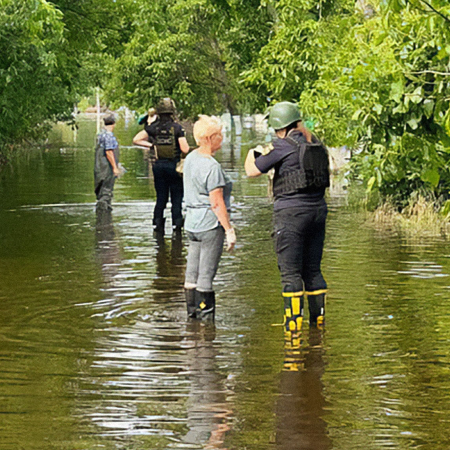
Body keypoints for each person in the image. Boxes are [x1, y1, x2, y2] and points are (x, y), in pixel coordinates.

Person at [244, 101, 330, 330]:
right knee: (313, 270)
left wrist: (252, 153)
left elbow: (251, 171)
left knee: (290, 274)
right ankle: (318, 328)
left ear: (280, 127)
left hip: (291, 215)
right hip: (318, 212)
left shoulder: (283, 146)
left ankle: (293, 334)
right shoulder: (317, 144)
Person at [183, 115, 236, 322]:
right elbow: (216, 203)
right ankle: (206, 327)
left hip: (192, 224)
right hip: (209, 225)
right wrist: (229, 230)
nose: (222, 140)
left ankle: (191, 320)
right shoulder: (212, 167)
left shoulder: (190, 159)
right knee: (205, 276)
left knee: (191, 275)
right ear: (210, 137)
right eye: (220, 136)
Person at [133, 98, 189, 233]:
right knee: (176, 198)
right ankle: (177, 225)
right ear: (172, 112)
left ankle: (157, 225)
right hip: (174, 167)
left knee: (161, 198)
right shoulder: (177, 128)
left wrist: (152, 145)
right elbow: (185, 149)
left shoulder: (153, 127)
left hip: (158, 167)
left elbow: (136, 139)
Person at [94, 115, 120, 212]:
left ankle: (100, 219)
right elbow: (109, 152)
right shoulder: (109, 136)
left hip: (99, 168)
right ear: (114, 124)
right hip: (106, 168)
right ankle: (105, 219)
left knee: (101, 191)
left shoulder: (100, 134)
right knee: (106, 192)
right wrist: (115, 168)